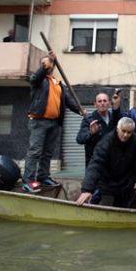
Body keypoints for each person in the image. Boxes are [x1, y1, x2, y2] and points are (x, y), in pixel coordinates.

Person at [23, 51, 84, 192]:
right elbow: (34, 78)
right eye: (44, 63)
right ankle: (28, 181)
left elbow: (68, 101)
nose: (47, 64)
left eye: (49, 63)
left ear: (53, 66)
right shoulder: (38, 80)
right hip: (39, 121)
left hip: (54, 123)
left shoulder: (58, 83)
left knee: (48, 152)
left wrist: (79, 110)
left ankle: (43, 177)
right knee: (35, 151)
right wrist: (45, 65)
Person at [76, 117, 136, 208]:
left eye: (129, 132)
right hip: (107, 184)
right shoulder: (106, 142)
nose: (125, 135)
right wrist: (87, 189)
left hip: (127, 185)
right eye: (123, 131)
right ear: (118, 129)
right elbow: (96, 164)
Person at [76, 91, 121, 167]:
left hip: (111, 163)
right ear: (95, 104)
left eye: (104, 101)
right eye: (99, 101)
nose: (102, 103)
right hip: (95, 164)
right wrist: (91, 133)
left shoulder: (114, 118)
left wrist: (116, 108)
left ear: (109, 103)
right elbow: (79, 139)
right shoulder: (89, 119)